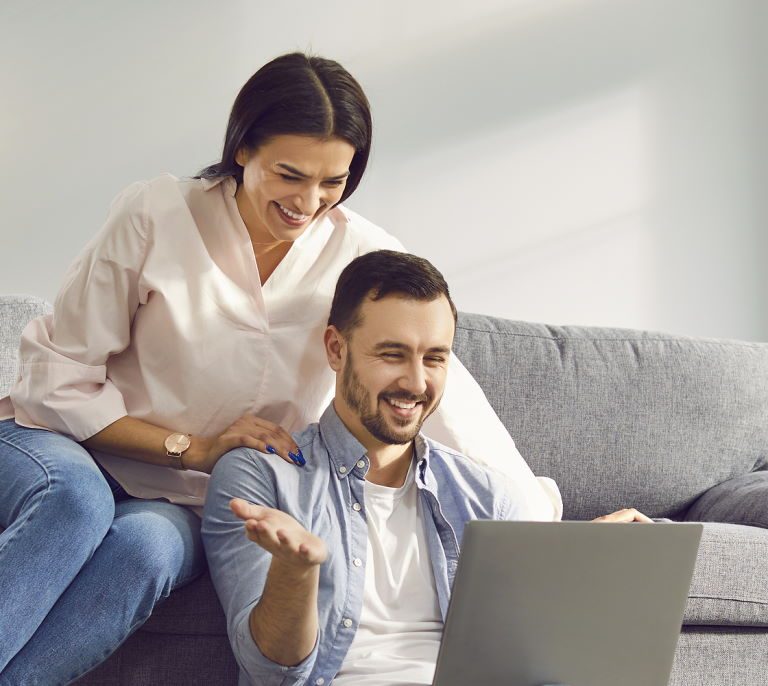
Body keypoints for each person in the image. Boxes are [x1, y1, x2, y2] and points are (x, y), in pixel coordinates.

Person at [0, 53, 559, 683]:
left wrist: (556, 532)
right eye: (290, 174)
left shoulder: (362, 253)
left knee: (146, 551)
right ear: (243, 148)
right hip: (60, 442)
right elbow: (57, 381)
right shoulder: (155, 214)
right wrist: (194, 448)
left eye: (332, 182)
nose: (308, 202)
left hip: (189, 497)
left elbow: (442, 397)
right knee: (76, 502)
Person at [202, 250, 651, 686]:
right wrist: (295, 572)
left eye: (434, 358)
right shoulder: (260, 478)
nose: (416, 382)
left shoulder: (488, 497)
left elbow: (533, 656)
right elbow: (271, 673)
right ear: (336, 349)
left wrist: (587, 563)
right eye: (392, 354)